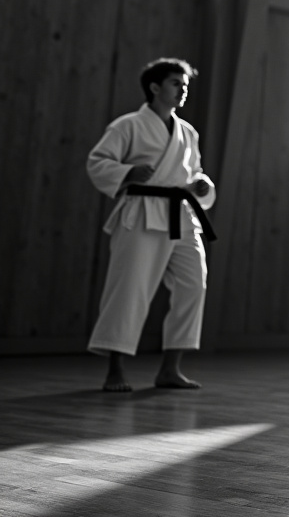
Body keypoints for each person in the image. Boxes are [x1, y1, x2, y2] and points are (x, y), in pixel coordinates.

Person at [86, 58, 217, 391]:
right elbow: (97, 162)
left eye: (184, 85)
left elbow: (193, 172)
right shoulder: (127, 125)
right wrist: (127, 172)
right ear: (155, 88)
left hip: (182, 214)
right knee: (129, 289)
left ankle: (170, 368)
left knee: (193, 286)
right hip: (142, 211)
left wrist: (202, 184)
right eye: (176, 83)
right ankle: (115, 370)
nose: (182, 90)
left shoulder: (188, 132)